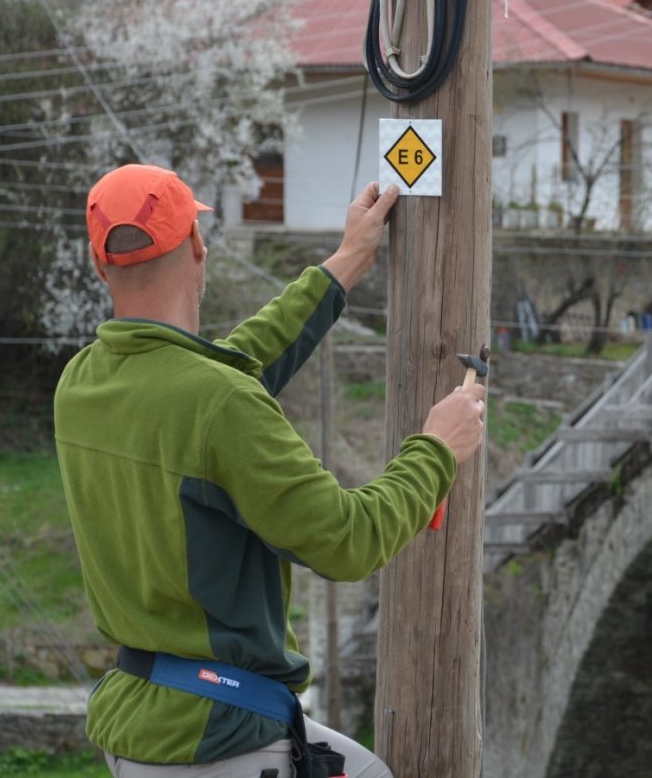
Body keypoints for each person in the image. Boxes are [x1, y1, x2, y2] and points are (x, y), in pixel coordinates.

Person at [53, 164, 486, 778]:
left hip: (136, 723)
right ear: (198, 246)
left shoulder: (81, 383)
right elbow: (347, 541)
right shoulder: (217, 405)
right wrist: (437, 450)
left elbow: (224, 376)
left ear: (101, 266)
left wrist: (343, 267)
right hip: (221, 736)